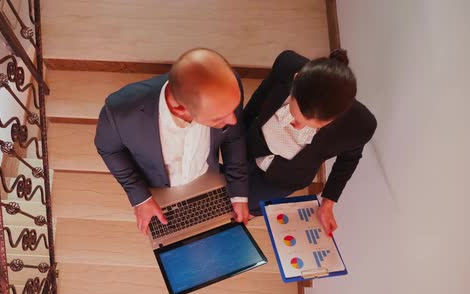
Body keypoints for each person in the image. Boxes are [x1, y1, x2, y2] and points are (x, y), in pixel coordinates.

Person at [95, 48, 250, 235]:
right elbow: (109, 149)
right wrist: (141, 198)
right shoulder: (120, 113)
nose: (233, 121)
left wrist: (239, 194)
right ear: (179, 109)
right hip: (158, 188)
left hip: (207, 179)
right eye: (218, 119)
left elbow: (234, 137)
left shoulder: (229, 85)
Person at [244, 49, 377, 236]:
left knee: (251, 204)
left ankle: (253, 211)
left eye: (312, 125)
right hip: (253, 145)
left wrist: (328, 201)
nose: (297, 127)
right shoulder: (287, 65)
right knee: (222, 190)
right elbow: (259, 98)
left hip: (286, 176)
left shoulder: (361, 124)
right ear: (295, 80)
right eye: (295, 116)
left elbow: (349, 159)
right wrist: (237, 136)